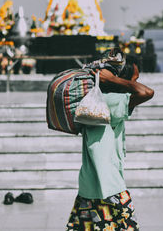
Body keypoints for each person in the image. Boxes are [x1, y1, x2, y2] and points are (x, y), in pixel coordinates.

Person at [66, 51, 154, 231]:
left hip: (89, 188)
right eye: (134, 77)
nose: (136, 82)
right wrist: (114, 81)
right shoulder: (108, 102)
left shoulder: (93, 101)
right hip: (109, 189)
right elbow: (147, 92)